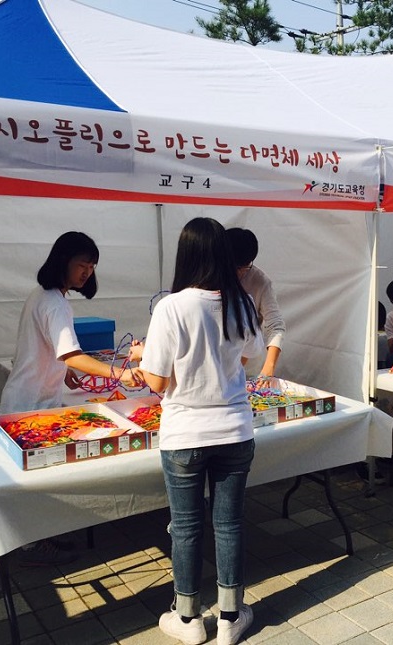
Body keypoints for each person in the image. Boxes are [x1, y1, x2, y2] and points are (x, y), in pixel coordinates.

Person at [130, 218, 263, 645]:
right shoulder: (242, 303)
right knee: (229, 524)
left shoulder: (171, 307)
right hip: (234, 429)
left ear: (185, 254)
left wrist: (145, 355)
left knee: (186, 528)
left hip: (185, 433)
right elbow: (250, 357)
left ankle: (188, 619)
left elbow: (155, 382)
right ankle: (229, 617)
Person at [0, 231, 142, 566]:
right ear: (63, 261)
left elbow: (47, 347)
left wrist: (63, 372)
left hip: (32, 397)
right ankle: (30, 545)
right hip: (30, 404)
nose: (87, 272)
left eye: (92, 266)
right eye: (82, 265)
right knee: (31, 478)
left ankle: (39, 535)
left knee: (37, 476)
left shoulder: (45, 296)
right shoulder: (53, 302)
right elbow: (71, 353)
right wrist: (118, 374)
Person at [226, 227, 285, 380]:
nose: (239, 272)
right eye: (235, 267)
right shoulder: (210, 276)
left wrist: (269, 367)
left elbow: (276, 326)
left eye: (245, 267)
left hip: (248, 371)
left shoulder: (260, 282)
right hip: (216, 368)